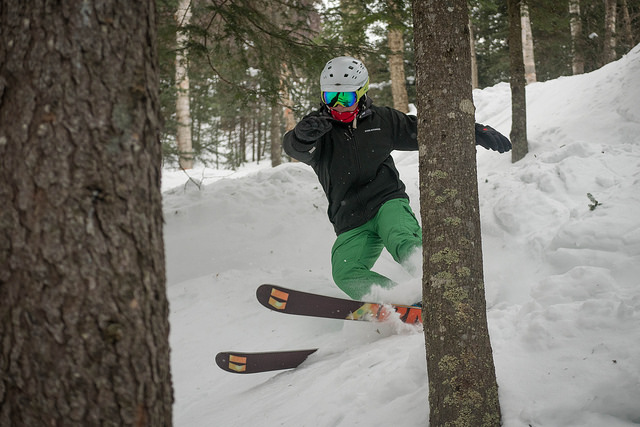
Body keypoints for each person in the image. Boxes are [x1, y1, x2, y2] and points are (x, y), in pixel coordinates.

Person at [283, 56, 511, 301]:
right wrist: (301, 136)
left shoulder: (382, 121)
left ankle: (447, 293)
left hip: (386, 202)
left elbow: (429, 130)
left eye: (346, 98)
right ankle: (405, 301)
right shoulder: (317, 130)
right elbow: (295, 148)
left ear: (361, 93)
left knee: (404, 243)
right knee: (345, 272)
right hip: (349, 219)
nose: (338, 106)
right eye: (331, 98)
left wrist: (475, 130)